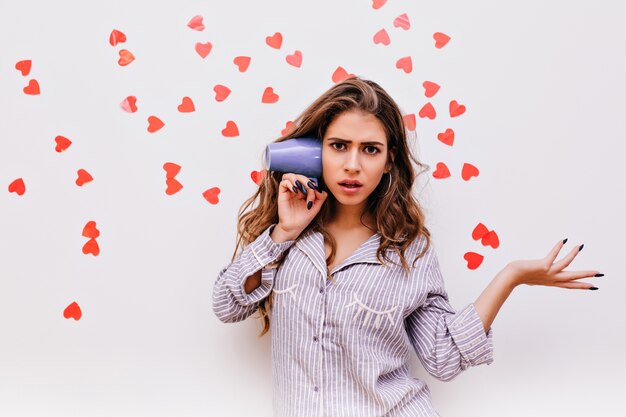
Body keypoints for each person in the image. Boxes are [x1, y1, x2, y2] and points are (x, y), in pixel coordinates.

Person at [212, 77, 602, 417]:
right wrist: (283, 233)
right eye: (339, 146)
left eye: (370, 149)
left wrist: (511, 276)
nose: (352, 164)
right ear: (317, 154)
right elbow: (227, 305)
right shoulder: (287, 238)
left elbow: (444, 357)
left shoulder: (408, 251)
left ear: (388, 161)